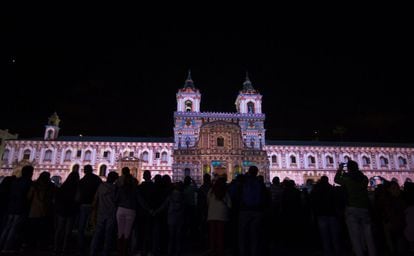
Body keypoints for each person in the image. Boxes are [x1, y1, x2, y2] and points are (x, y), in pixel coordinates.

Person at [334, 160, 376, 256]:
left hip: (352, 208)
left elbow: (336, 180)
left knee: (355, 236)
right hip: (364, 208)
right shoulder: (364, 178)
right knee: (368, 235)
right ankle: (372, 253)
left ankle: (359, 253)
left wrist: (340, 169)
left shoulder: (347, 179)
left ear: (349, 168)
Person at [0, 165, 34, 252]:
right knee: (14, 227)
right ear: (30, 173)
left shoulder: (15, 181)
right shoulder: (29, 182)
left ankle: (1, 244)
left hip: (11, 206)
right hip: (20, 208)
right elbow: (28, 197)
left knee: (7, 226)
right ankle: (7, 247)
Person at [238, 166, 268, 256]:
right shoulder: (260, 183)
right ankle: (254, 252)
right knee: (255, 234)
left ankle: (242, 252)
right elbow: (265, 197)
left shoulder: (243, 182)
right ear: (257, 172)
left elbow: (238, 195)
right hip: (257, 211)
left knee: (243, 234)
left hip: (244, 210)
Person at [311, 176, 342, 256]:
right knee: (334, 234)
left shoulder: (317, 189)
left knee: (324, 235)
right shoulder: (332, 189)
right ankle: (337, 250)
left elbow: (312, 200)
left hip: (321, 214)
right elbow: (337, 200)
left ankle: (327, 251)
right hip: (332, 213)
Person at [90, 171, 119, 256]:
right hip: (111, 213)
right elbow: (116, 200)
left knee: (97, 233)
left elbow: (96, 199)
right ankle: (105, 252)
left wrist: (93, 210)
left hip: (101, 211)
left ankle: (92, 251)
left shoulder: (101, 186)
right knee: (108, 234)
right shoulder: (115, 188)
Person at [76, 164, 102, 255]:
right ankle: (94, 245)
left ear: (84, 171)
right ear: (91, 170)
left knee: (81, 226)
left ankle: (81, 246)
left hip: (83, 205)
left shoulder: (81, 181)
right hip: (94, 205)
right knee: (94, 225)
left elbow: (78, 194)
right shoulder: (97, 179)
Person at [155, 181, 186, 256]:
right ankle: (178, 251)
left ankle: (170, 251)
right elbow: (184, 207)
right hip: (179, 217)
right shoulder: (182, 196)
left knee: (171, 236)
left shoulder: (171, 195)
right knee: (178, 236)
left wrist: (155, 211)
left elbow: (164, 205)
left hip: (171, 217)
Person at [27, 171, 55, 250]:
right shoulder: (51, 186)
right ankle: (41, 245)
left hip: (34, 211)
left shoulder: (34, 185)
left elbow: (29, 197)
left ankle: (30, 244)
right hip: (45, 211)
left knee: (32, 229)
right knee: (42, 230)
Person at [54, 170, 79, 255]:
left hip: (62, 209)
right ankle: (65, 248)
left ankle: (56, 247)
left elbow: (58, 197)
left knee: (59, 229)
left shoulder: (63, 186)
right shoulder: (76, 187)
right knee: (68, 231)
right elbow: (77, 199)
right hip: (71, 210)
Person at [207, 177, 231, 256]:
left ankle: (212, 249)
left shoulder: (211, 191)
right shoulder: (225, 192)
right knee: (220, 234)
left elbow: (207, 202)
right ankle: (220, 250)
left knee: (212, 234)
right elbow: (230, 205)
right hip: (222, 216)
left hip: (212, 215)